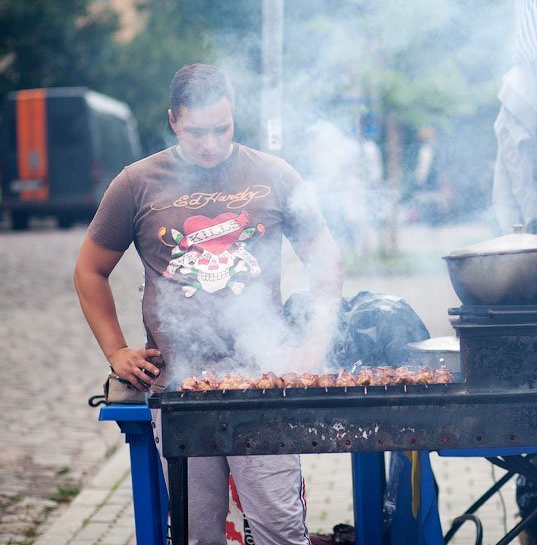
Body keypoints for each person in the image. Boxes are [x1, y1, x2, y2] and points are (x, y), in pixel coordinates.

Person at [73, 63, 343, 544]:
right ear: (174, 120)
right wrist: (116, 352)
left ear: (233, 117)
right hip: (178, 391)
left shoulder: (274, 175)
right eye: (197, 132)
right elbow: (90, 271)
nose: (211, 143)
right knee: (198, 536)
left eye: (222, 129)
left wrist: (312, 348)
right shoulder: (136, 183)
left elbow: (326, 261)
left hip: (264, 384)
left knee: (280, 531)